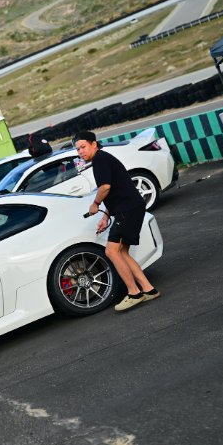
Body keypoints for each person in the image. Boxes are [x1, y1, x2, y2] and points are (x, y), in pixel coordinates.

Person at [73, 130, 160, 312]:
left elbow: (106, 187)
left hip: (127, 209)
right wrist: (105, 216)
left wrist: (95, 204)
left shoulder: (100, 160)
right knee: (122, 252)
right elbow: (115, 190)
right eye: (77, 149)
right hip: (129, 207)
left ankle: (134, 293)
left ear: (94, 144)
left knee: (111, 251)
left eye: (83, 147)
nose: (80, 152)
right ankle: (148, 289)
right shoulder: (102, 159)